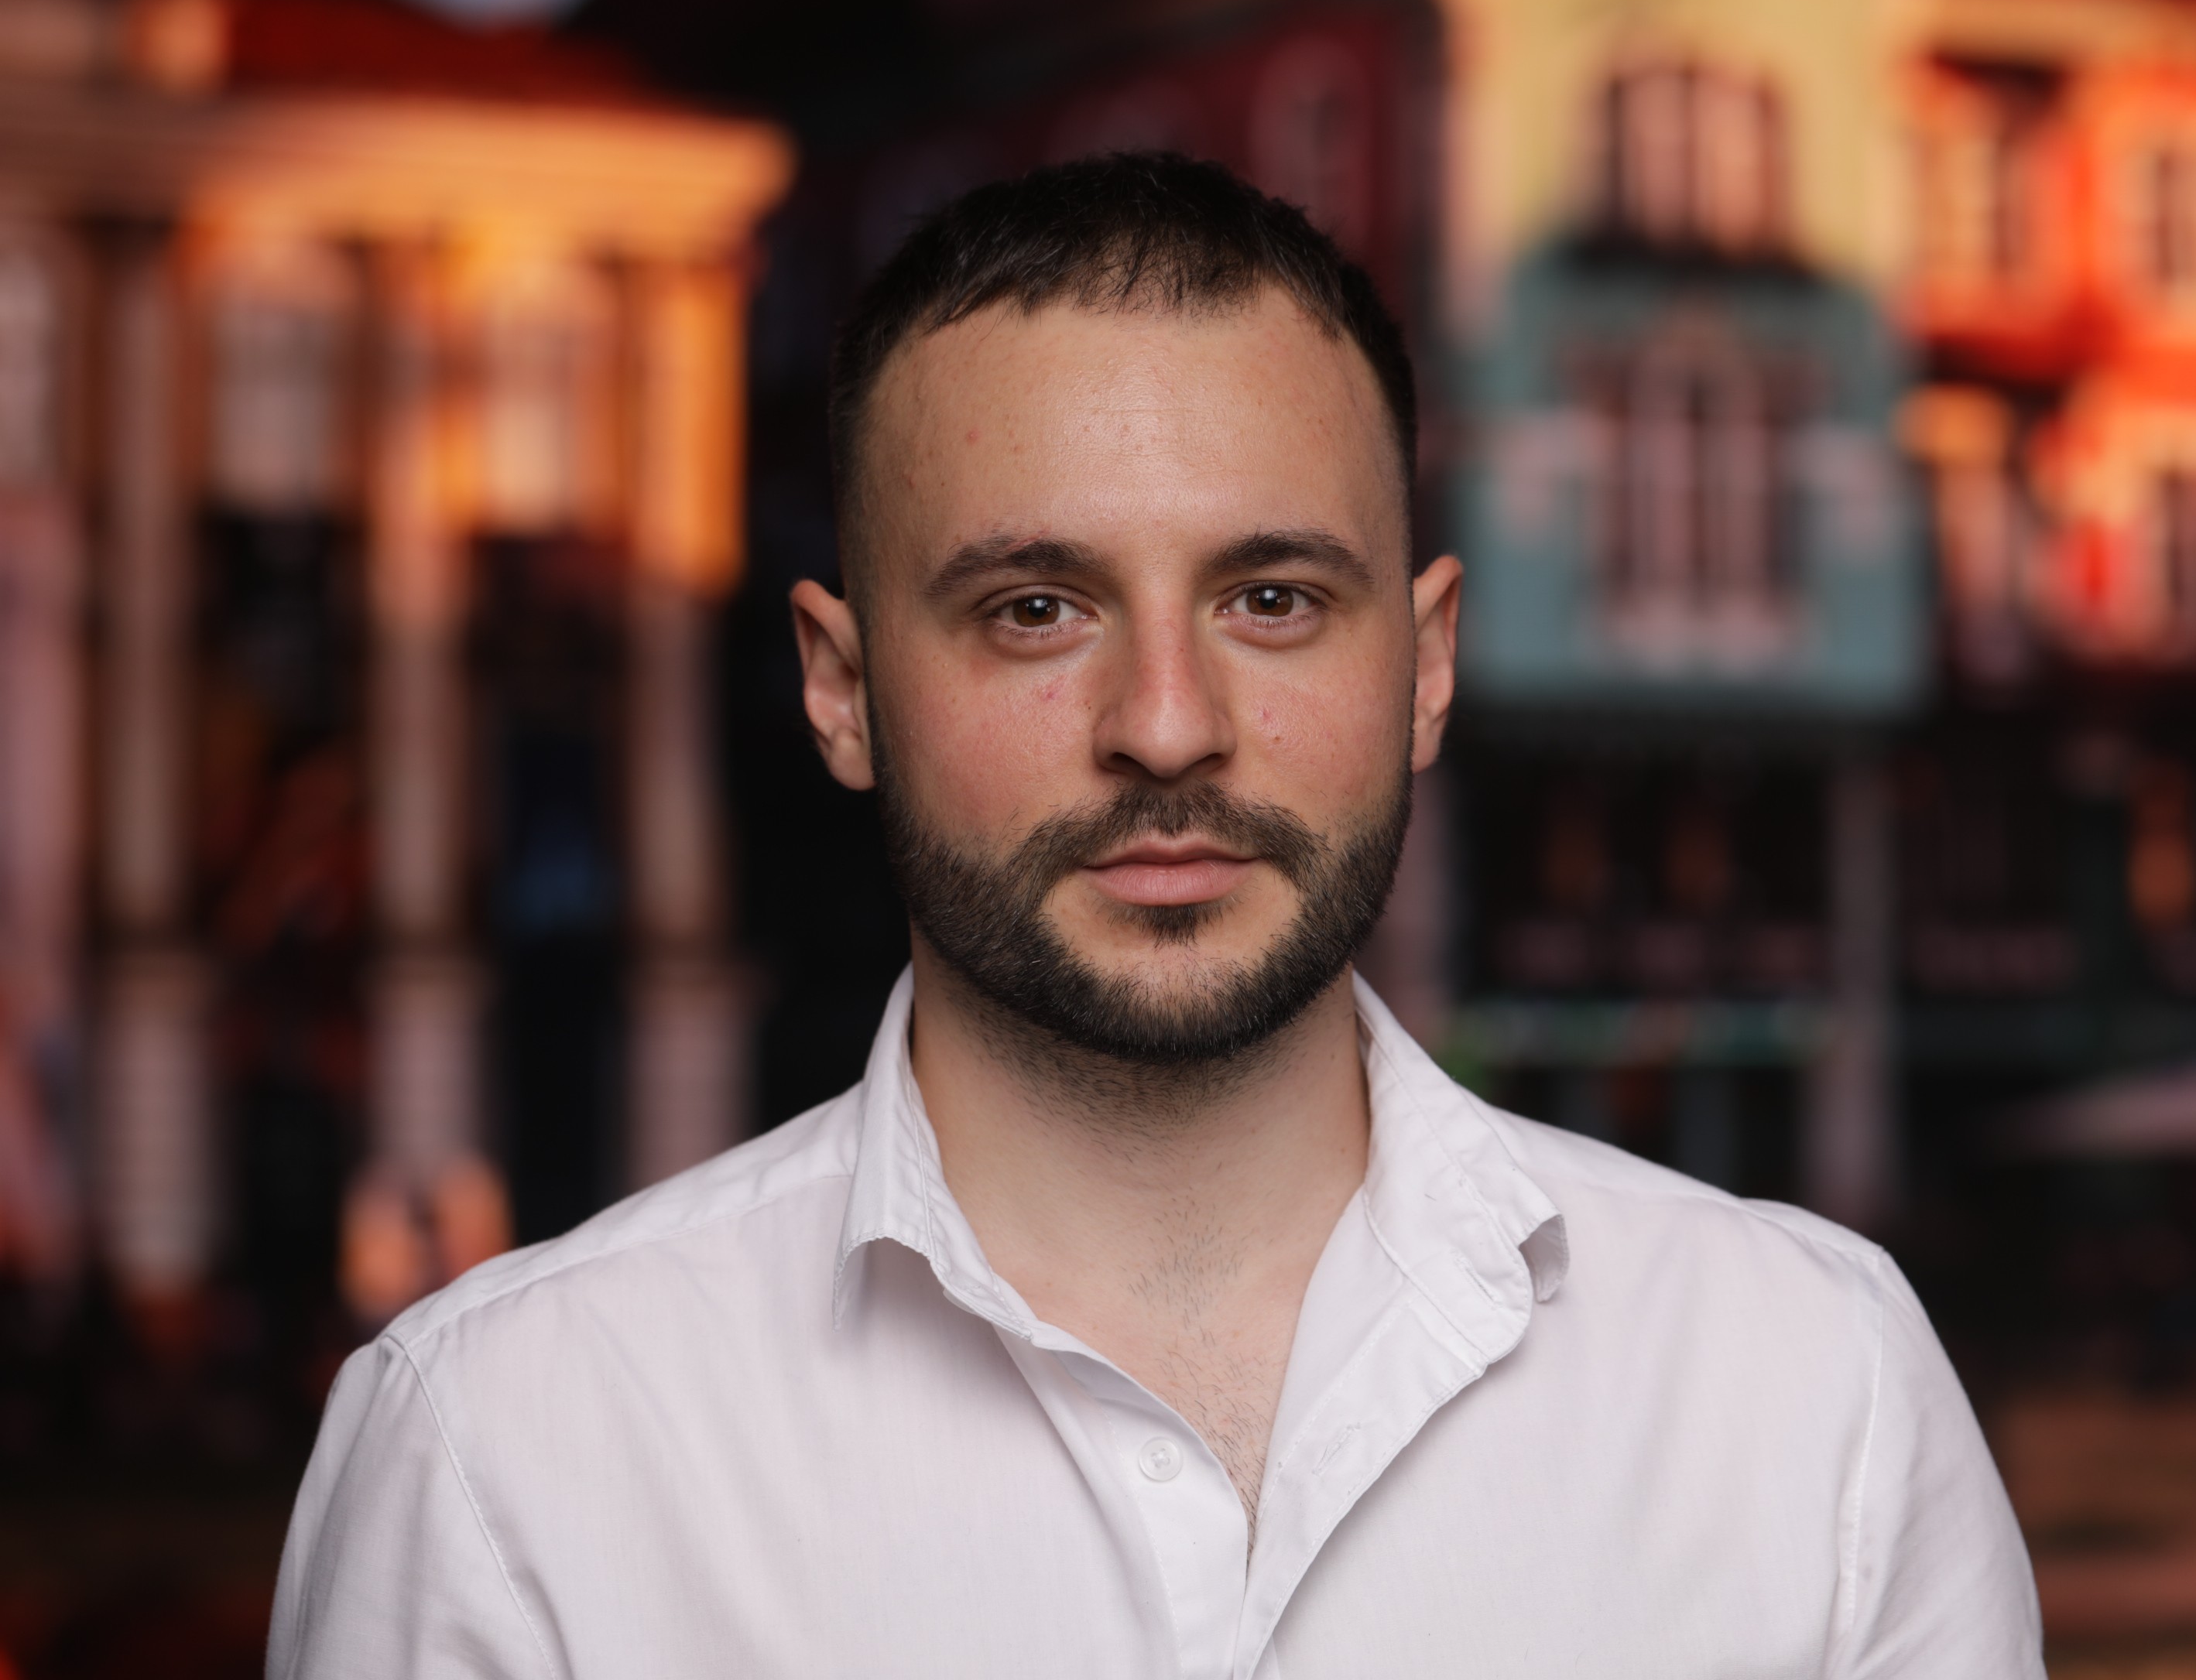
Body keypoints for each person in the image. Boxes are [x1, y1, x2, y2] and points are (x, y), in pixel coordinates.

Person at [268, 152, 2041, 1679]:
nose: (1170, 722)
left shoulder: (1813, 1391)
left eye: (1273, 597)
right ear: (841, 686)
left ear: (1425, 664)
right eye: (1037, 608)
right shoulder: (501, 1457)